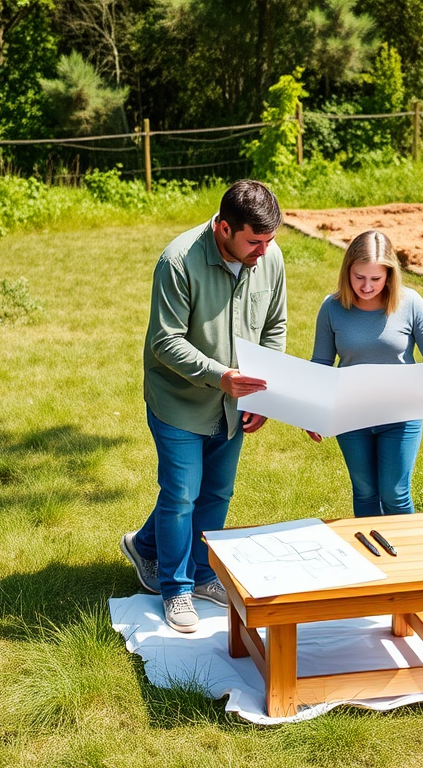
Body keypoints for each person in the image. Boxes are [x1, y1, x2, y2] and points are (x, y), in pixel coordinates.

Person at [120, 180, 287, 633]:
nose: (263, 252)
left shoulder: (269, 257)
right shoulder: (178, 261)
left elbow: (275, 325)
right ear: (224, 228)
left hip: (236, 404)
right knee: (181, 494)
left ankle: (198, 571)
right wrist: (222, 377)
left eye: (270, 241)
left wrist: (263, 394)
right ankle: (175, 589)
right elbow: (165, 341)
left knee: (215, 493)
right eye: (254, 242)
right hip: (179, 401)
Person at [308, 229, 423, 517]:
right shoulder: (332, 308)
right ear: (347, 271)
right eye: (359, 277)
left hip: (401, 415)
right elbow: (321, 363)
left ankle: (407, 558)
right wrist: (311, 410)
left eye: (376, 278)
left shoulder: (410, 303)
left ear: (390, 274)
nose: (366, 286)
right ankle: (369, 559)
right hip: (350, 414)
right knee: (364, 492)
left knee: (395, 493)